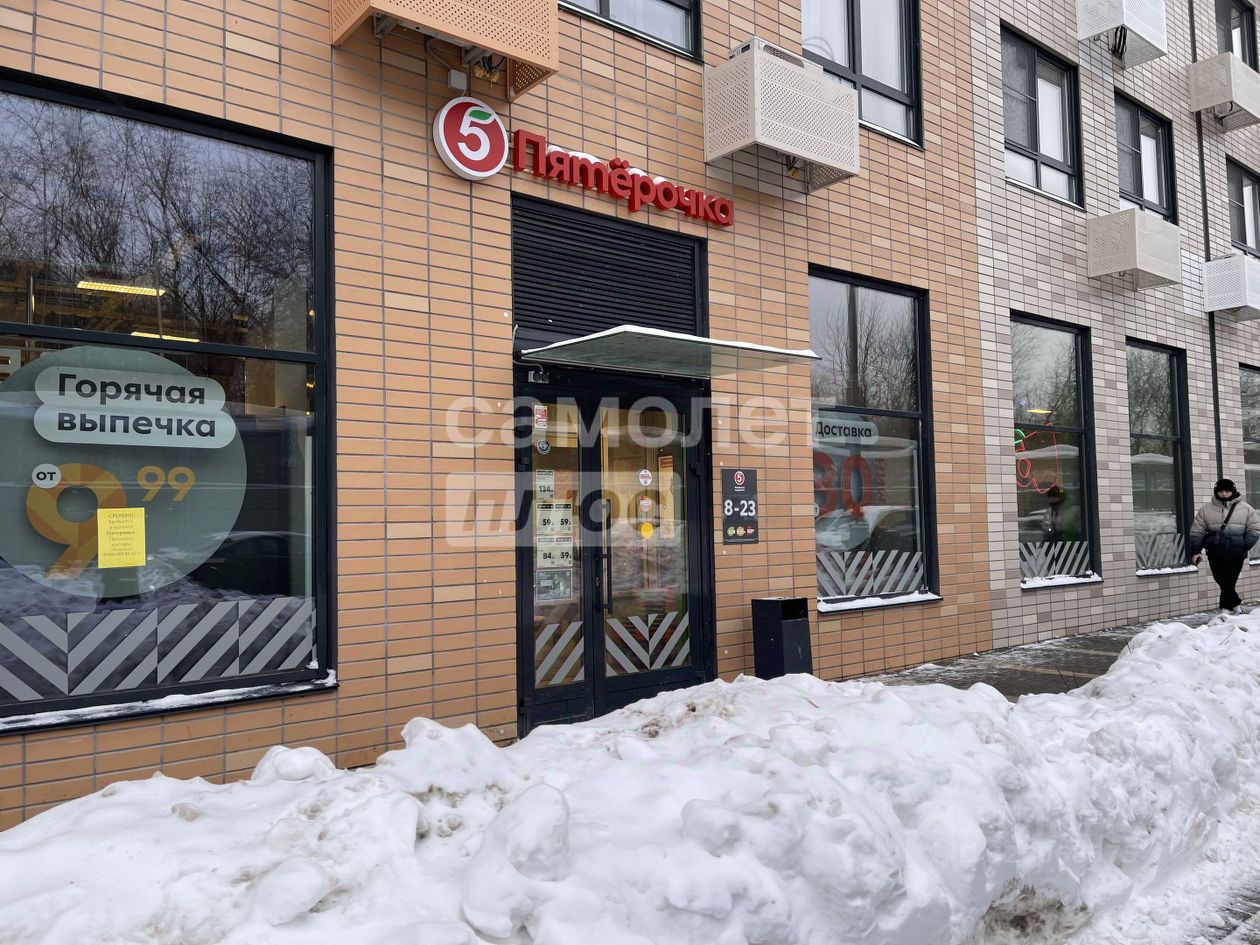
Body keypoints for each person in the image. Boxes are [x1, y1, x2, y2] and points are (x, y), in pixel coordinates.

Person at [1190, 478, 1260, 613]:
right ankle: (1236, 604)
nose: (1223, 493)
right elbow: (1197, 531)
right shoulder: (1206, 509)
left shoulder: (1245, 508)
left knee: (1229, 580)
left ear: (1233, 491)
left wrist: (1244, 545)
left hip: (1236, 553)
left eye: (1227, 491)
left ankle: (1225, 609)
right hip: (1215, 552)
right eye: (1221, 491)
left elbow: (1254, 528)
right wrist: (1196, 551)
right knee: (1221, 580)